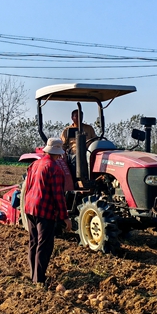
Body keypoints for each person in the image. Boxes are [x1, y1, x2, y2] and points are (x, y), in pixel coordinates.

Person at [24, 137, 72, 286]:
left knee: (33, 242)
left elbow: (29, 186)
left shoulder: (35, 164)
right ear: (58, 153)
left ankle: (33, 275)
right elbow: (58, 196)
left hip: (30, 207)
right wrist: (65, 217)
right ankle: (39, 280)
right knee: (44, 245)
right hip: (45, 210)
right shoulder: (55, 169)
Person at [60, 109, 97, 175]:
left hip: (89, 152)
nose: (79, 118)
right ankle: (76, 180)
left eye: (81, 116)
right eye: (77, 116)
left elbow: (95, 140)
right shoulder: (67, 130)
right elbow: (63, 146)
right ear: (72, 118)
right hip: (75, 153)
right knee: (76, 159)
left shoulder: (89, 128)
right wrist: (63, 155)